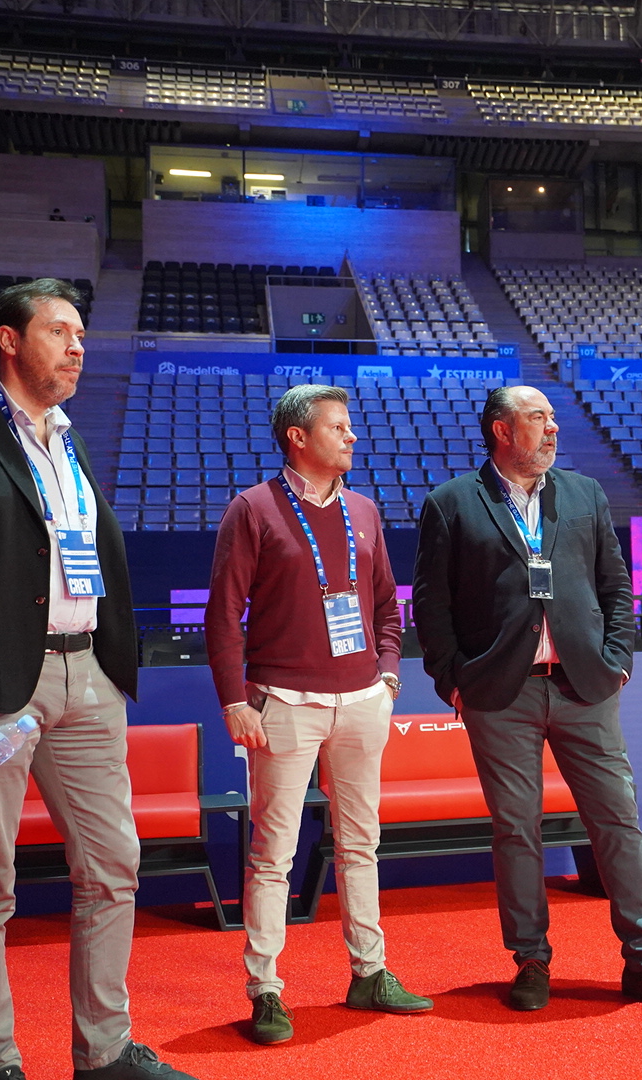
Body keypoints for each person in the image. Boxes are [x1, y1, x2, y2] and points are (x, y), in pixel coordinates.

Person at [0, 278, 197, 1080]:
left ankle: (104, 1053)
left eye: (82, 335)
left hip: (88, 674)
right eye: (60, 331)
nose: (77, 346)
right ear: (9, 340)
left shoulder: (70, 440)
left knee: (113, 866)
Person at [411, 385, 642, 1015]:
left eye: (552, 418)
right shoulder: (451, 502)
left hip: (585, 686)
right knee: (517, 830)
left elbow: (615, 586)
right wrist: (453, 680)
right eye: (538, 418)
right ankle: (531, 959)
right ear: (502, 430)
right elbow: (431, 605)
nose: (553, 429)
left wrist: (618, 660)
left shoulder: (585, 493)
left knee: (618, 820)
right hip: (499, 693)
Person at [205, 383, 432, 1046]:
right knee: (272, 854)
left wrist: (388, 675)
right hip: (283, 704)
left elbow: (387, 604)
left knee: (361, 846)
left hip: (363, 701)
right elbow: (223, 615)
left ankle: (371, 972)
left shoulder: (364, 509)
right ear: (298, 437)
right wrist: (234, 700)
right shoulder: (253, 508)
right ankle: (265, 990)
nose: (352, 436)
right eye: (338, 426)